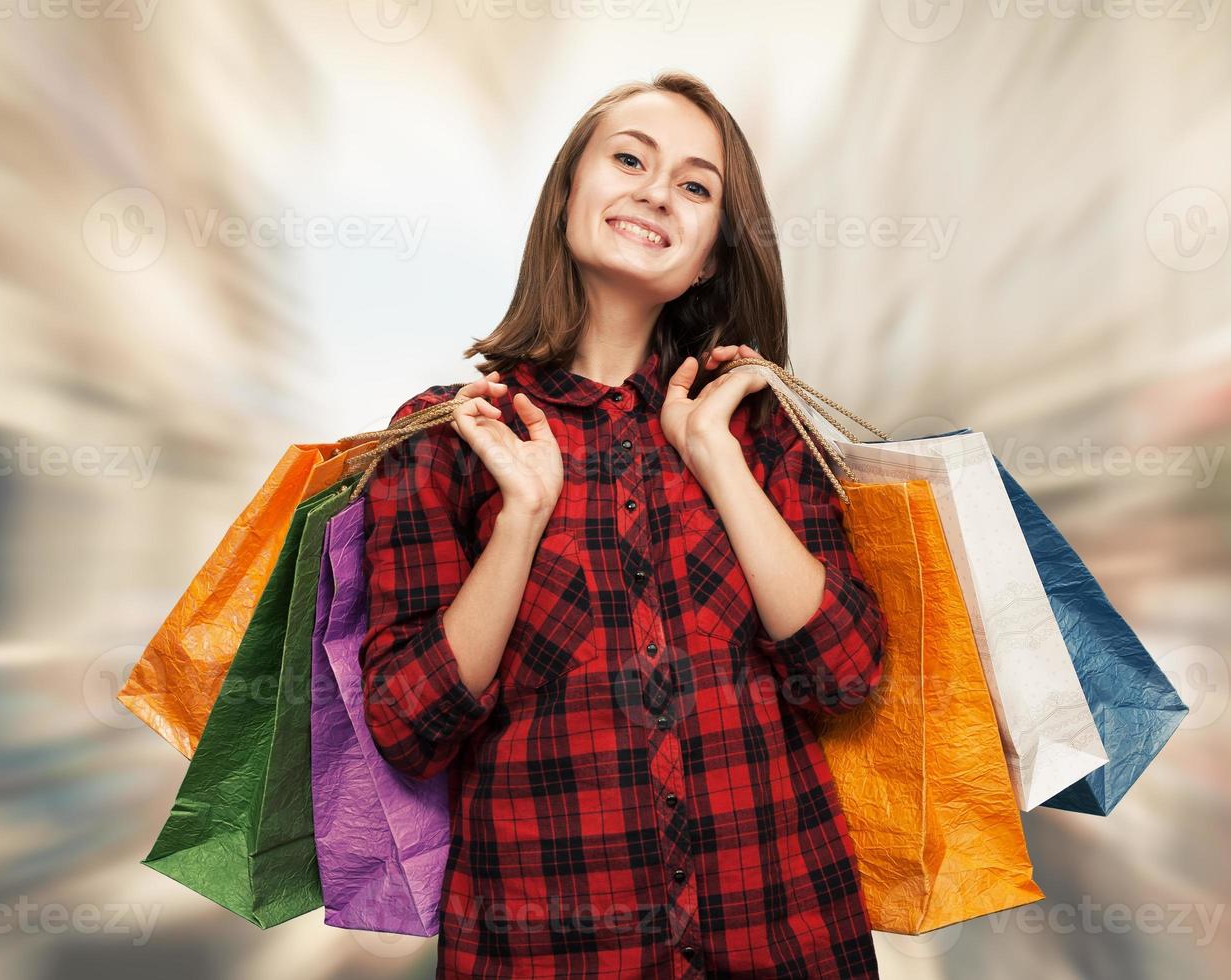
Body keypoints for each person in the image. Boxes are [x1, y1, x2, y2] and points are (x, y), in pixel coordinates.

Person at [357, 72, 888, 978]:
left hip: (787, 929)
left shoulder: (754, 424)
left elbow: (845, 673)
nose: (654, 191)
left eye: (694, 185)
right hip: (544, 949)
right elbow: (410, 727)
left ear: (714, 252)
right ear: (570, 192)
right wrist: (521, 519)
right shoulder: (453, 437)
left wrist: (718, 459)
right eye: (630, 159)